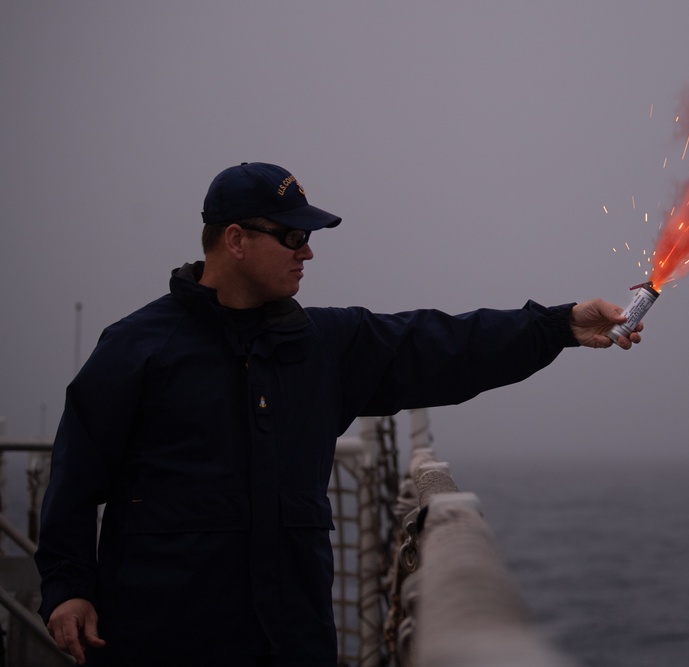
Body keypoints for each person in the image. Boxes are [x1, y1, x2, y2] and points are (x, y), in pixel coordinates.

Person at [35, 162, 643, 666]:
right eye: (293, 237)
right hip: (163, 643)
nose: (309, 252)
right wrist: (67, 590)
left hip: (291, 646)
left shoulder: (322, 346)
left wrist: (558, 325)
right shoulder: (137, 348)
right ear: (236, 240)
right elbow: (76, 474)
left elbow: (444, 346)